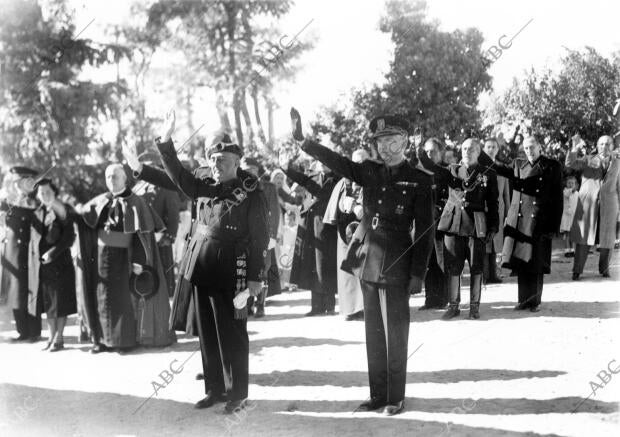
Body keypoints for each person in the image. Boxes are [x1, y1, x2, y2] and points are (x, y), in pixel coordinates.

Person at [288, 108, 434, 416]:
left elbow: (424, 232)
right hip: (368, 260)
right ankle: (377, 395)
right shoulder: (368, 170)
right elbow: (337, 161)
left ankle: (396, 397)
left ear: (405, 141)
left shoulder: (419, 179)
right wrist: (305, 142)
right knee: (373, 335)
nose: (384, 147)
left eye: (391, 140)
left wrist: (418, 273)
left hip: (397, 262)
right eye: (380, 141)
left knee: (395, 334)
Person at [153, 110, 269, 414]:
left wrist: (256, 278)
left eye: (223, 161)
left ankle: (238, 393)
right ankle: (214, 389)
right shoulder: (207, 187)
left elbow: (260, 237)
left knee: (233, 332)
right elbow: (178, 176)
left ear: (236, 162)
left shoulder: (251, 193)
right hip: (203, 271)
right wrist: (166, 143)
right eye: (213, 161)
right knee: (207, 332)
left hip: (235, 271)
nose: (217, 166)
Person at [74, 164, 175, 353]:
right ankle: (102, 341)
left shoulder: (136, 202)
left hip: (124, 259)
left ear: (125, 179)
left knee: (123, 301)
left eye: (115, 176)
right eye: (108, 176)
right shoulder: (99, 201)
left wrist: (138, 261)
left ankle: (123, 342)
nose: (111, 179)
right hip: (101, 258)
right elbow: (84, 222)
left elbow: (142, 234)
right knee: (101, 299)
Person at [479, 136, 563, 312]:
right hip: (519, 219)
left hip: (539, 220)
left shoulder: (552, 166)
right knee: (521, 261)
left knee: (536, 262)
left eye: (532, 147)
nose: (529, 151)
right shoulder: (518, 164)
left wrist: (554, 227)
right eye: (526, 148)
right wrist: (480, 154)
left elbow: (557, 199)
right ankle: (523, 300)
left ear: (540, 147)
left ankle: (535, 301)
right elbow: (500, 169)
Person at [423, 139, 499, 320]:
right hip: (453, 225)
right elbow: (431, 167)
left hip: (476, 226)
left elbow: (493, 202)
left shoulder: (487, 173)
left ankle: (474, 307)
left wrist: (493, 226)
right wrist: (420, 149)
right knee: (453, 266)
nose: (467, 151)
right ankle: (454, 306)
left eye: (471, 149)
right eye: (464, 148)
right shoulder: (452, 170)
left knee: (476, 267)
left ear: (478, 151)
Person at [280, 153, 339, 317]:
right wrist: (286, 167)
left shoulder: (337, 178)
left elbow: (318, 192)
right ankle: (316, 306)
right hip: (310, 224)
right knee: (312, 264)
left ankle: (329, 305)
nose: (323, 164)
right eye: (321, 160)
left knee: (325, 265)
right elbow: (299, 188)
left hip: (327, 226)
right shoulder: (313, 176)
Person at [27, 179, 76, 351]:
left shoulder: (63, 210)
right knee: (48, 302)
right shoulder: (37, 213)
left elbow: (69, 237)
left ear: (54, 192)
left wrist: (52, 253)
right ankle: (50, 336)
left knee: (60, 302)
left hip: (60, 262)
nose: (45, 195)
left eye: (48, 192)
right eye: (41, 193)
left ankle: (59, 338)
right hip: (43, 265)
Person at [566, 135, 620, 279]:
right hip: (588, 204)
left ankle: (604, 269)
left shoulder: (618, 163)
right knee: (584, 237)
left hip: (609, 204)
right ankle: (577, 270)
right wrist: (574, 148)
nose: (605, 146)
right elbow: (570, 164)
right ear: (597, 146)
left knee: (608, 239)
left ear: (613, 146)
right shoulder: (588, 160)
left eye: (608, 144)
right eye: (601, 144)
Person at [323, 149, 368, 321]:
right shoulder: (344, 181)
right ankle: (350, 309)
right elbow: (338, 201)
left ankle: (364, 307)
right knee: (347, 272)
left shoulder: (371, 178)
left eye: (363, 161)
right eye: (356, 161)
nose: (360, 164)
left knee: (363, 268)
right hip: (345, 231)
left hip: (365, 228)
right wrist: (346, 204)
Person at [0, 167, 41, 341]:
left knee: (29, 290)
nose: (18, 186)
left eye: (22, 182)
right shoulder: (6, 201)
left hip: (28, 252)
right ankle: (22, 330)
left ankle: (33, 331)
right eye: (16, 182)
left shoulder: (34, 204)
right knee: (14, 292)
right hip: (10, 253)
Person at [134, 154, 182, 297]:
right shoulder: (137, 188)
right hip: (140, 241)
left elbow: (173, 215)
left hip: (159, 241)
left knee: (161, 284)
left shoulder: (165, 187)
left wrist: (166, 237)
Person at [241, 157, 280, 317]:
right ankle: (248, 305)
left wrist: (272, 237)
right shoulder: (237, 187)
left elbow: (274, 213)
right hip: (244, 238)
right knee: (245, 270)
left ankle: (261, 304)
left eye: (252, 170)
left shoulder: (268, 187)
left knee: (262, 270)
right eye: (246, 170)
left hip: (263, 237)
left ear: (257, 171)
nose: (249, 173)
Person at [416, 138, 450, 310]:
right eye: (427, 152)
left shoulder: (445, 170)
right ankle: (431, 299)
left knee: (441, 260)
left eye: (433, 152)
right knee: (428, 262)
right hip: (425, 224)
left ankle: (444, 298)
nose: (429, 155)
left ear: (441, 152)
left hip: (442, 223)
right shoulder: (420, 173)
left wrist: (419, 151)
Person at [482, 137, 511, 284]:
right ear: (483, 148)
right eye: (488, 147)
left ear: (498, 149)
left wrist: (508, 214)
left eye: (494, 147)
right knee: (484, 240)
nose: (491, 149)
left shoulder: (502, 168)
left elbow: (506, 194)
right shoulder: (479, 166)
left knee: (497, 242)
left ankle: (495, 273)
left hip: (498, 210)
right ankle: (485, 273)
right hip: (482, 208)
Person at [560, 175, 579, 257]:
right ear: (566, 184)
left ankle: (572, 250)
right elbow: (569, 193)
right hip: (567, 216)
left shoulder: (577, 193)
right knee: (567, 234)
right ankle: (567, 250)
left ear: (575, 184)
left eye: (572, 183)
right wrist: (574, 189)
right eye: (569, 183)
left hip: (574, 217)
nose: (571, 184)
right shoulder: (565, 191)